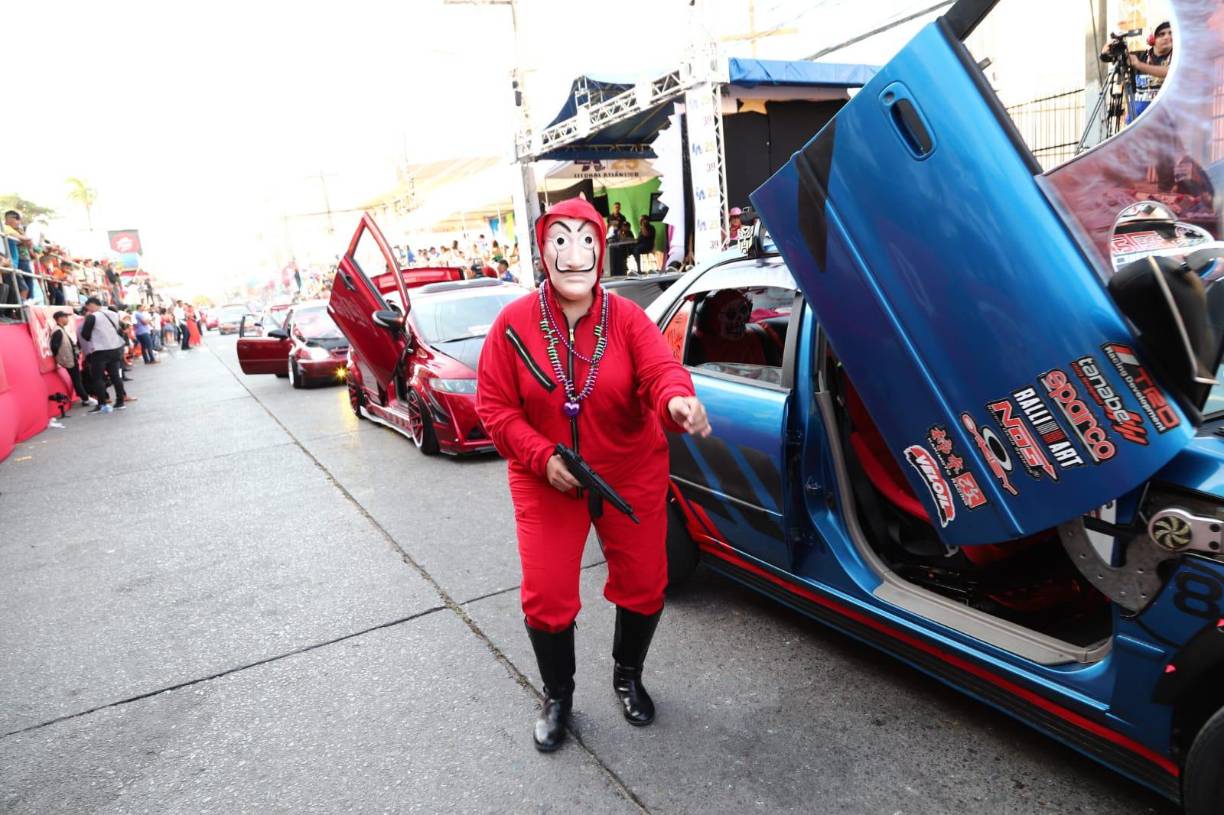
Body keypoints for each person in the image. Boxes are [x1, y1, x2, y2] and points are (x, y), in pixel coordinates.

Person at [476, 197, 711, 753]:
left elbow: (661, 372)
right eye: (561, 239)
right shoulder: (512, 325)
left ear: (602, 250)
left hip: (629, 471)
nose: (574, 253)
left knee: (645, 584)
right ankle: (558, 695)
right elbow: (494, 407)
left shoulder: (627, 319)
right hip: (546, 478)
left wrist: (678, 401)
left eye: (587, 240)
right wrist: (541, 457)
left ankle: (627, 675)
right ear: (543, 251)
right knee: (547, 594)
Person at [79, 297, 128, 413]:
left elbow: (85, 335)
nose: (88, 310)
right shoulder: (113, 314)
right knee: (115, 376)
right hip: (115, 348)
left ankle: (102, 404)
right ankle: (120, 401)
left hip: (100, 350)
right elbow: (120, 328)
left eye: (88, 307)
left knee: (98, 378)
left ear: (91, 304)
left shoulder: (92, 317)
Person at [50, 311, 90, 408]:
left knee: (77, 379)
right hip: (68, 359)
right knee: (76, 379)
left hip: (70, 358)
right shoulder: (57, 331)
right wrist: (61, 357)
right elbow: (54, 346)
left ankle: (84, 397)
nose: (67, 319)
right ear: (59, 318)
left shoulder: (60, 329)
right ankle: (85, 398)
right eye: (65, 317)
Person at [3, 210, 35, 301]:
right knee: (22, 288)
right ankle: (21, 309)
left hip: (13, 264)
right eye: (16, 219)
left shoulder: (14, 230)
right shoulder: (5, 227)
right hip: (8, 263)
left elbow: (27, 243)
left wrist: (24, 238)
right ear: (8, 218)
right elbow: (25, 239)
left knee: (13, 289)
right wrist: (24, 238)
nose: (18, 222)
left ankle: (18, 309)